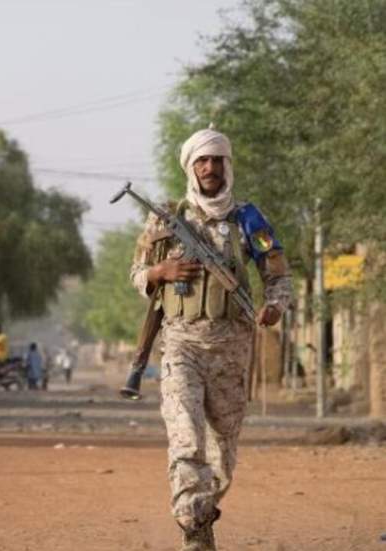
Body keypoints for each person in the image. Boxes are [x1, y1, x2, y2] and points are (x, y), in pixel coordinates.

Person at [130, 128, 292, 550]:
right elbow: (137, 274)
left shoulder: (248, 220)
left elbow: (277, 274)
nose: (209, 168)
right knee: (186, 438)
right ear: (190, 167)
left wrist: (274, 306)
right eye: (202, 161)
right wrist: (159, 274)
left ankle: (202, 512)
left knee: (223, 453)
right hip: (181, 344)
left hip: (233, 348)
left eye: (217, 160)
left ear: (227, 166)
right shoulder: (168, 217)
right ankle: (195, 529)